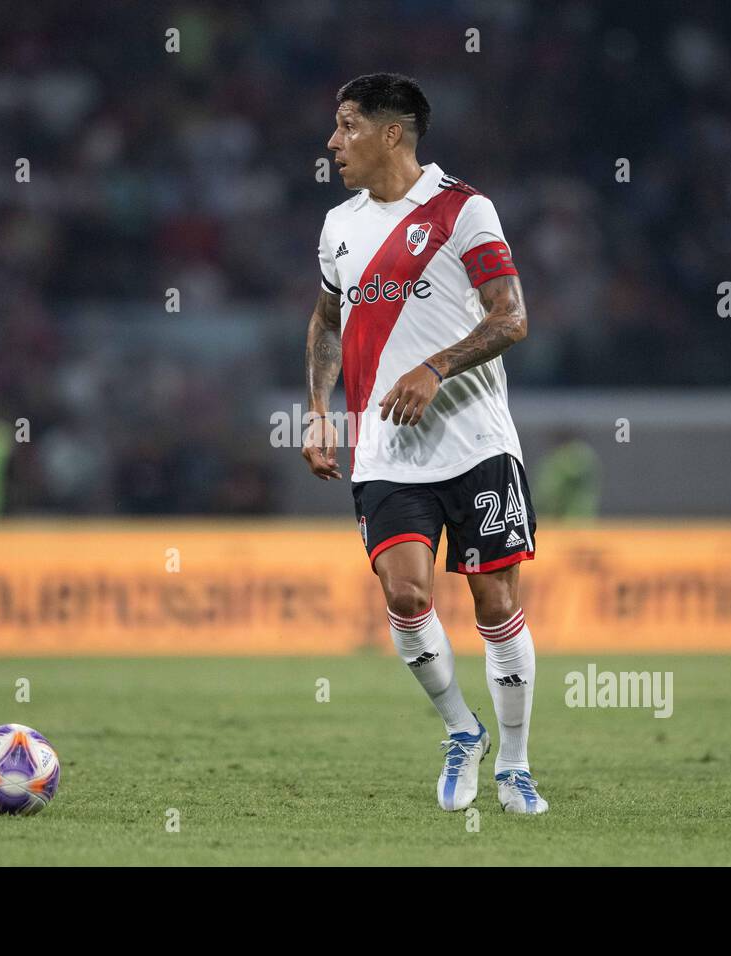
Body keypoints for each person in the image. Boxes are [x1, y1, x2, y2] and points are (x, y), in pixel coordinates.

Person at [302, 73, 546, 814]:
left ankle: (516, 763)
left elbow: (512, 318)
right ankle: (461, 731)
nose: (333, 143)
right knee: (405, 594)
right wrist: (319, 411)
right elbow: (324, 322)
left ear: (391, 133)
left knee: (494, 601)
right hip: (386, 450)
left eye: (346, 127)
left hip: (476, 445)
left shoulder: (463, 211)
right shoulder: (339, 226)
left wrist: (436, 366)